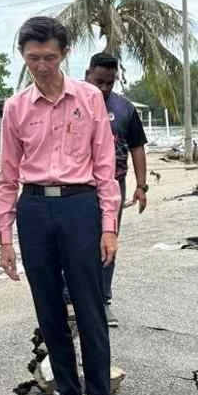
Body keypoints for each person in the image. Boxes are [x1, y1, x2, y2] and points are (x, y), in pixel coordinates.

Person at [0, 16, 123, 395]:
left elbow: (105, 168)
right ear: (23, 57)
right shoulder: (15, 108)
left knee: (89, 308)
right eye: (33, 58)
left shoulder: (89, 99)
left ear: (64, 53)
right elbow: (6, 176)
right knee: (48, 308)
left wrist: (109, 226)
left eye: (49, 57)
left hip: (79, 207)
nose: (42, 66)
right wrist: (4, 237)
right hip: (33, 209)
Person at [81, 52, 148, 327]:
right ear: (87, 75)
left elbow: (137, 148)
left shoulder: (125, 109)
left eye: (110, 83)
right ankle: (70, 298)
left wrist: (141, 186)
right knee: (77, 242)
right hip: (80, 187)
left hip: (114, 185)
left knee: (108, 242)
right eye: (99, 82)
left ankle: (103, 301)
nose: (104, 88)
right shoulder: (72, 102)